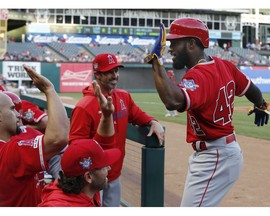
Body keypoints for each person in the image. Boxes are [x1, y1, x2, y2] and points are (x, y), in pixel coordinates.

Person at [145, 18, 270, 207]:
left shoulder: (199, 75)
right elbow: (252, 89)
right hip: (220, 153)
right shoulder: (225, 65)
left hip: (215, 156)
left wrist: (157, 62)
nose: (170, 48)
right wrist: (260, 104)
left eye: (174, 42)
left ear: (191, 43)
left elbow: (173, 101)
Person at [69, 53, 165, 207]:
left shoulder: (124, 97)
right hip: (92, 180)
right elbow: (75, 145)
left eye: (116, 71)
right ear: (98, 75)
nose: (115, 75)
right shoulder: (84, 107)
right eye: (109, 72)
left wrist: (152, 121)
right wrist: (90, 175)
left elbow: (138, 115)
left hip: (114, 175)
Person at [38, 81, 121, 207]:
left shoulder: (85, 188)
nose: (109, 168)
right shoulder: (59, 207)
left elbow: (104, 144)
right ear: (88, 177)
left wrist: (106, 116)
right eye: (104, 166)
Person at [0, 64, 69, 206]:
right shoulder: (10, 152)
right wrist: (49, 90)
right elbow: (58, 137)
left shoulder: (13, 144)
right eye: (13, 110)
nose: (19, 114)